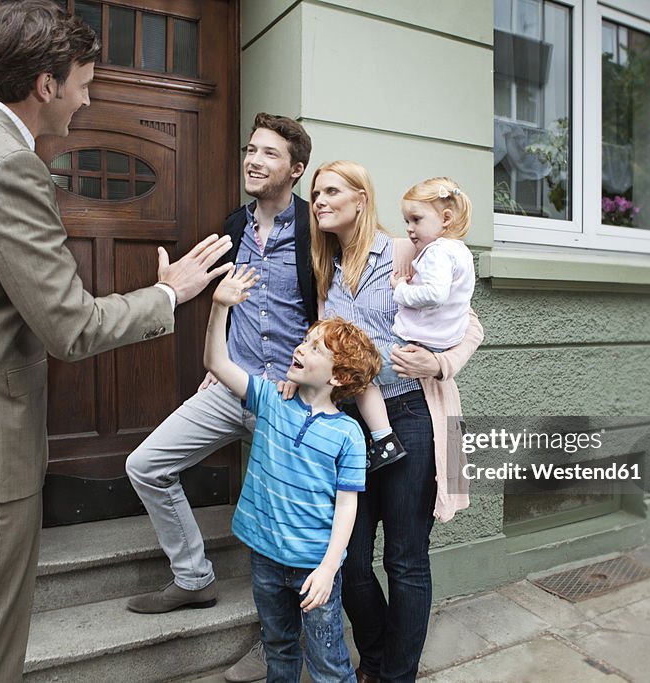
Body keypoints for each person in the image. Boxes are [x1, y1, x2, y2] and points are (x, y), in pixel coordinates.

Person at [0, 2, 234, 681]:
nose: (88, 98)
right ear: (46, 86)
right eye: (84, 82)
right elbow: (70, 326)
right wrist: (169, 294)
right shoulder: (8, 168)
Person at [124, 113, 316, 626]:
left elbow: (332, 311)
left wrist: (302, 378)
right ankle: (193, 578)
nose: (253, 160)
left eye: (269, 153)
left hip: (286, 399)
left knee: (284, 519)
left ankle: (277, 640)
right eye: (251, 149)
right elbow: (237, 302)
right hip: (231, 384)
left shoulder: (316, 231)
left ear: (295, 169)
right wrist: (221, 356)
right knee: (146, 465)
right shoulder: (235, 225)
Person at [310, 161, 483, 683]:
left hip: (410, 415)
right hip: (348, 425)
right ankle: (380, 657)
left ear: (362, 199)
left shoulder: (406, 249)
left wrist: (440, 363)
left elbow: (468, 321)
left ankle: (394, 674)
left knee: (406, 559)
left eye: (329, 190)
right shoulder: (327, 269)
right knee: (353, 563)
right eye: (314, 192)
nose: (317, 199)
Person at [204, 265, 379, 683]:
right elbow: (215, 361)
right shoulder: (270, 398)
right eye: (305, 341)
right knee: (279, 651)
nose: (301, 348)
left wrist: (329, 568)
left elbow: (346, 506)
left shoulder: (348, 434)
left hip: (313, 567)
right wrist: (218, 308)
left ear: (338, 376)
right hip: (264, 557)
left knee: (328, 663)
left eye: (316, 348)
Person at [355, 177, 476, 471]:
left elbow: (437, 295)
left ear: (446, 218)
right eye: (406, 220)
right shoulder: (458, 250)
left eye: (416, 219)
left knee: (359, 373)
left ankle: (383, 441)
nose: (409, 228)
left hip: (416, 347)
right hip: (435, 339)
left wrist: (401, 290)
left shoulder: (435, 252)